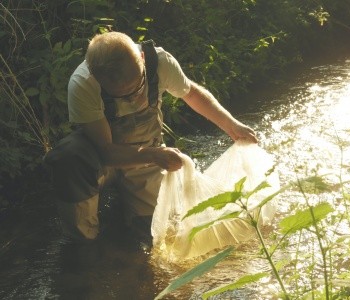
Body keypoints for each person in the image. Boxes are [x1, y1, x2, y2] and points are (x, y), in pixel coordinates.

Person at [45, 31, 257, 241]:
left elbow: (191, 93)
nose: (134, 96)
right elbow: (106, 152)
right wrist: (155, 156)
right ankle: (85, 242)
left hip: (146, 157)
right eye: (123, 94)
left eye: (138, 85)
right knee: (69, 157)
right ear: (96, 76)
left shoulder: (161, 62)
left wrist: (231, 125)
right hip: (105, 159)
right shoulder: (82, 84)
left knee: (156, 234)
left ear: (142, 58)